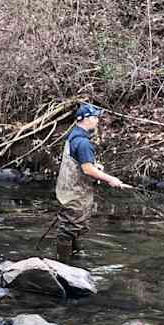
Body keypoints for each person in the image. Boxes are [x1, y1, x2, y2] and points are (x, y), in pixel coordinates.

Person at [54, 102, 131, 262]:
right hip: (75, 193)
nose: (97, 121)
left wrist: (95, 166)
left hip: (68, 190)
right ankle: (64, 264)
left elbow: (80, 162)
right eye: (95, 117)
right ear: (85, 119)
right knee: (70, 228)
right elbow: (88, 170)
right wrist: (111, 179)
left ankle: (73, 258)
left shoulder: (74, 136)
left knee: (75, 226)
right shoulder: (83, 143)